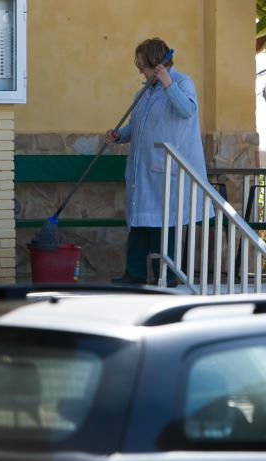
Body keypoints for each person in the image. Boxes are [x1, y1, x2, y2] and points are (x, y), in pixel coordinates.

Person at [106, 37, 207, 285]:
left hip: (168, 172)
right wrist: (120, 135)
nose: (140, 70)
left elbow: (187, 111)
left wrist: (168, 84)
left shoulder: (183, 83)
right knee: (140, 222)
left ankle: (169, 276)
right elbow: (137, 126)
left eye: (142, 65)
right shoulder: (144, 92)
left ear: (157, 63)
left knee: (165, 226)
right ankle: (134, 274)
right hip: (144, 171)